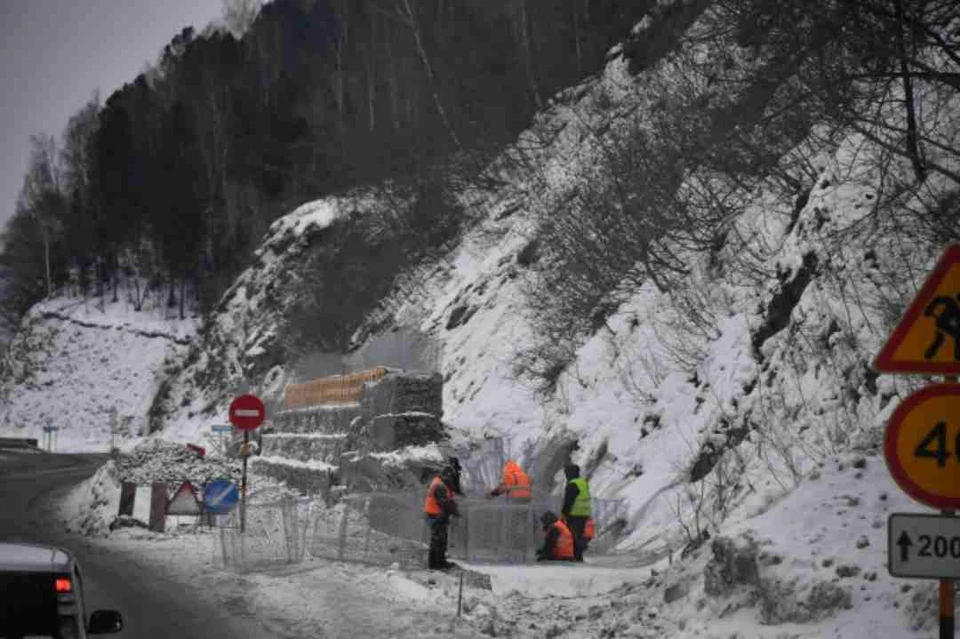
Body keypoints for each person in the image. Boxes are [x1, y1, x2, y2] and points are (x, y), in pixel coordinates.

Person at [424, 465, 460, 570]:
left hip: (435, 514)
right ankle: (436, 565)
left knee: (440, 539)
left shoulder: (439, 482)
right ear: (446, 476)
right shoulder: (439, 485)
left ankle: (439, 562)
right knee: (438, 540)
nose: (451, 479)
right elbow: (445, 503)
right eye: (450, 477)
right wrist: (456, 513)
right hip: (436, 515)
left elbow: (447, 499)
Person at [560, 463, 591, 562]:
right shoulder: (583, 482)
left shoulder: (572, 484)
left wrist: (564, 513)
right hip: (584, 513)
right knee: (579, 535)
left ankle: (574, 556)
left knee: (572, 535)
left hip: (575, 513)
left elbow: (569, 500)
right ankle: (578, 556)